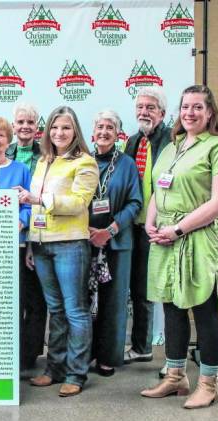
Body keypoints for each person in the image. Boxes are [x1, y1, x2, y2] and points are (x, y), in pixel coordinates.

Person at [140, 85, 218, 409]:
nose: (190, 113)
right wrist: (151, 223)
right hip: (166, 236)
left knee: (203, 309)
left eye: (198, 107)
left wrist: (178, 228)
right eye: (185, 107)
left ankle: (209, 383)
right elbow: (158, 188)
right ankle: (176, 377)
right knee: (171, 307)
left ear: (210, 112)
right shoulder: (173, 146)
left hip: (199, 236)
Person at [17, 106, 98, 397]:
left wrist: (39, 198)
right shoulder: (43, 161)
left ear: (75, 131)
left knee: (75, 311)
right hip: (41, 246)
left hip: (69, 244)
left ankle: (76, 373)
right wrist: (31, 245)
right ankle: (54, 369)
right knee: (56, 311)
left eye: (65, 128)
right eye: (54, 128)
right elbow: (35, 209)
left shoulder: (85, 162)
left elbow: (78, 203)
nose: (59, 133)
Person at [88, 110, 142, 377]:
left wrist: (109, 230)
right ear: (92, 132)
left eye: (110, 127)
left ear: (118, 134)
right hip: (84, 241)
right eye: (100, 126)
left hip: (118, 243)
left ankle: (108, 357)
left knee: (113, 301)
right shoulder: (82, 161)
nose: (104, 132)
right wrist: (85, 230)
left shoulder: (127, 164)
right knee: (84, 300)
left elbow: (135, 203)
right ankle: (85, 353)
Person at [123, 87, 172, 365]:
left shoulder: (171, 141)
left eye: (150, 108)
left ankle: (173, 356)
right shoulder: (132, 142)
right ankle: (141, 347)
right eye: (140, 107)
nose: (144, 112)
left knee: (165, 290)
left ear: (162, 114)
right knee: (139, 290)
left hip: (162, 227)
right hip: (135, 226)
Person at [6, 103, 45, 371]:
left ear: (37, 127)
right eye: (20, 122)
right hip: (7, 236)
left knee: (35, 298)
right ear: (13, 126)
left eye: (30, 122)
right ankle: (10, 353)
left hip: (39, 231)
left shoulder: (47, 155)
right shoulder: (2, 152)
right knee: (11, 299)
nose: (25, 127)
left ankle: (29, 355)